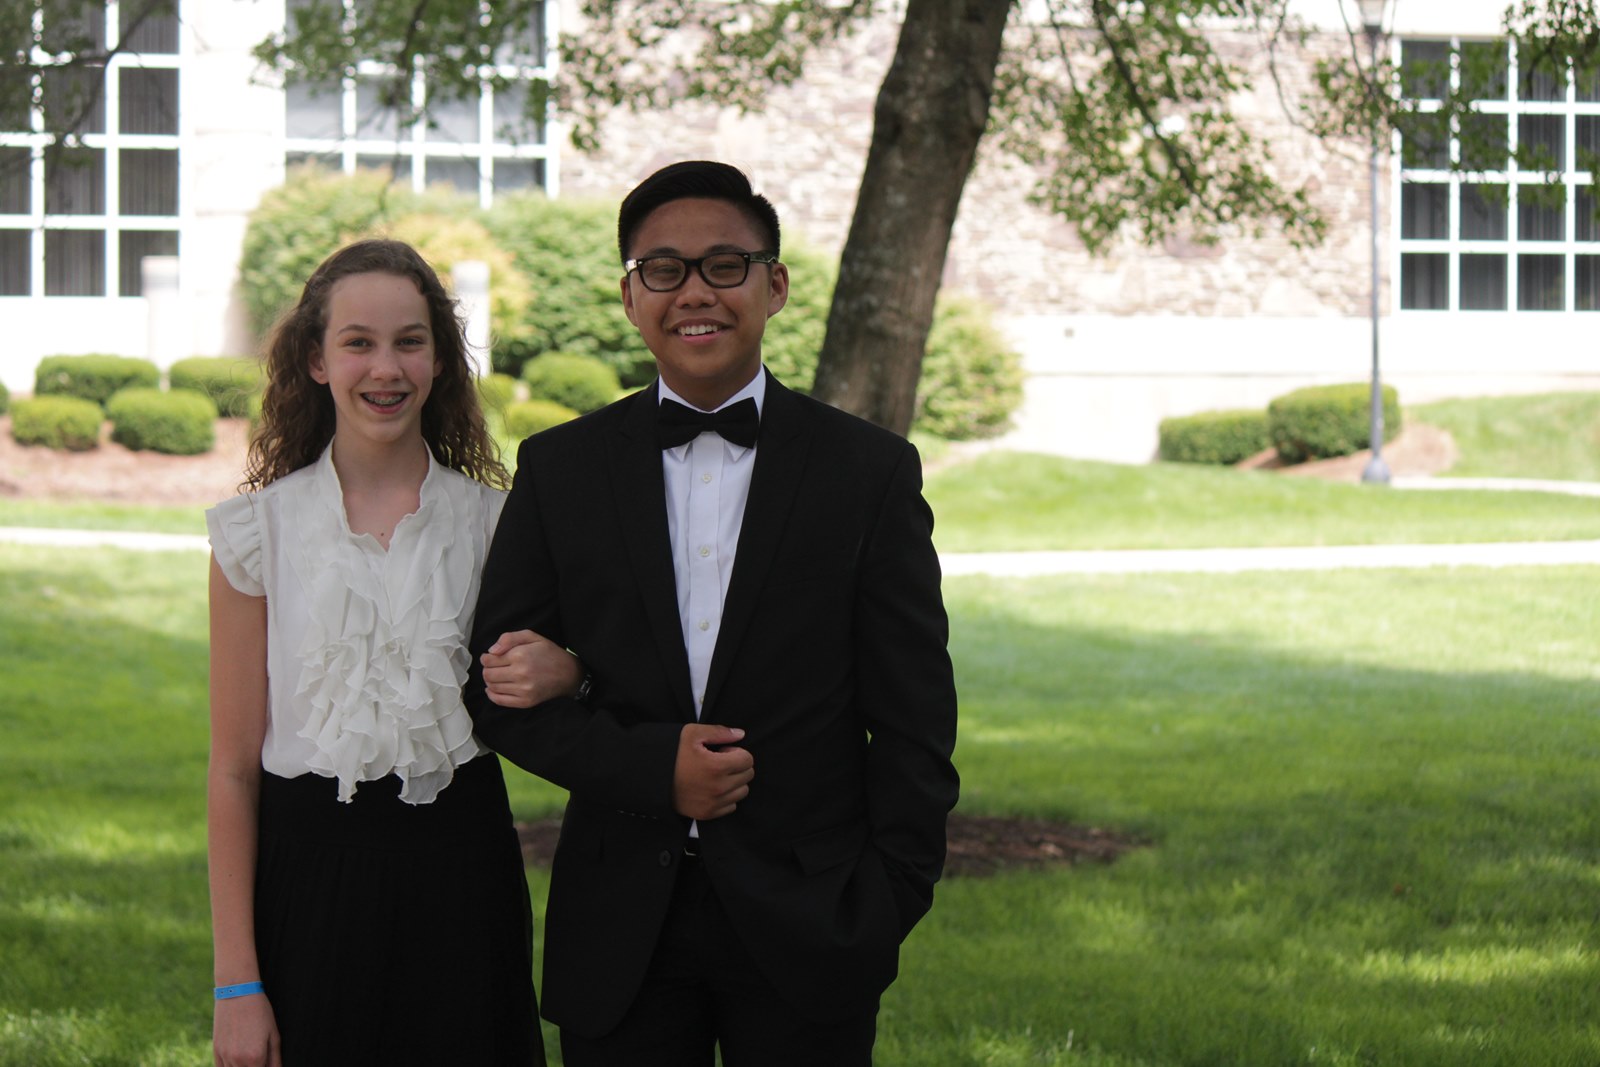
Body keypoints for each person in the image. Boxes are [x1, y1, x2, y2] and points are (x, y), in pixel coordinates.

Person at [465, 160, 960, 1066]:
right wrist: (653, 767)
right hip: (619, 926)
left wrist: (888, 897)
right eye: (663, 269)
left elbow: (916, 716)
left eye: (725, 265)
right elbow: (492, 691)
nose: (694, 291)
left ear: (774, 285)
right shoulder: (561, 469)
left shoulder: (868, 472)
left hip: (813, 920)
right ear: (631, 297)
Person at [206, 238, 575, 1066]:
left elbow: (581, 671)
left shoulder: (498, 525)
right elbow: (231, 770)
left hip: (464, 875)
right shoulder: (255, 534)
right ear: (315, 360)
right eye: (358, 342)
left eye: (410, 341)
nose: (386, 367)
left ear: (440, 359)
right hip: (307, 884)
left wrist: (571, 671)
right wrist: (237, 984)